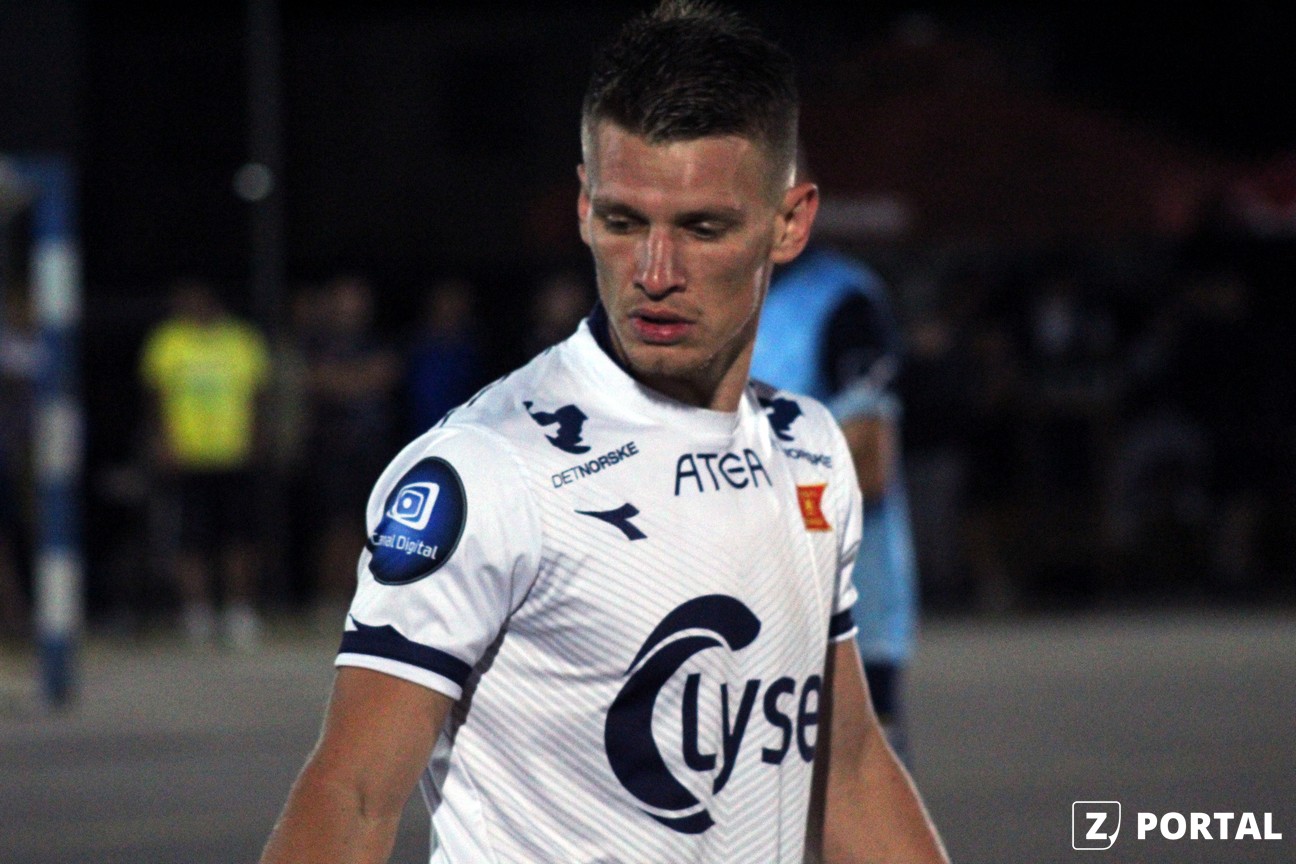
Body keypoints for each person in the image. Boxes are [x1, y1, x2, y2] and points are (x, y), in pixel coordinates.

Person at [260, 3, 948, 863]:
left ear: (790, 223)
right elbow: (353, 797)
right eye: (624, 222)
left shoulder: (809, 449)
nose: (655, 273)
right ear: (585, 206)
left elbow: (845, 771)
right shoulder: (484, 471)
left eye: (702, 227)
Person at [750, 233, 919, 765]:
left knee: (856, 787)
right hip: (749, 613)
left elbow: (870, 463)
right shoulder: (715, 296)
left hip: (845, 609)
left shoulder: (841, 300)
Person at [139, 278, 269, 649]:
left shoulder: (241, 339)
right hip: (188, 457)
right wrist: (162, 443)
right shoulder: (168, 341)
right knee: (190, 539)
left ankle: (239, 610)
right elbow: (154, 398)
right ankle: (197, 613)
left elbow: (258, 395)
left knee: (240, 536)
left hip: (233, 455)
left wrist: (257, 439)